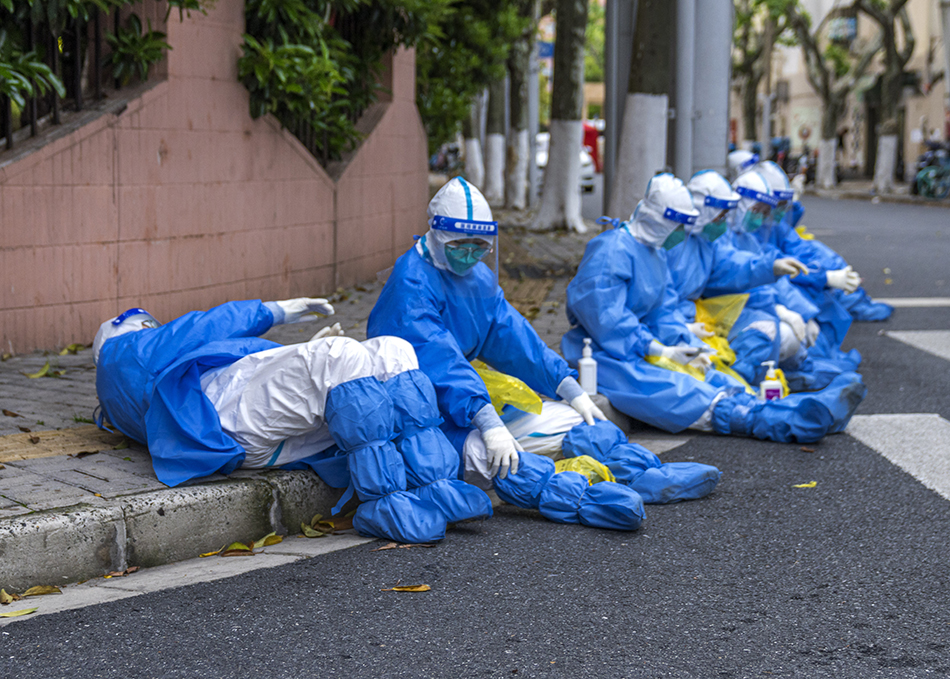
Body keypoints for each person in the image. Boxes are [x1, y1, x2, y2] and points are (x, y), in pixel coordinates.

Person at [368, 177, 717, 528]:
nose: (470, 254)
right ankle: (578, 500)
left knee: (574, 421)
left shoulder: (475, 277)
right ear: (438, 234)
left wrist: (567, 386)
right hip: (419, 417)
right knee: (497, 458)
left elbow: (516, 340)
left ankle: (642, 472)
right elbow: (439, 363)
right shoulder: (411, 284)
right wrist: (487, 422)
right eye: (461, 245)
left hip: (466, 404)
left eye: (480, 246)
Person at [93, 299, 492, 544]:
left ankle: (435, 488)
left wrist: (298, 352)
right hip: (221, 417)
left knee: (389, 349)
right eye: (146, 325)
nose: (154, 327)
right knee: (344, 355)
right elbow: (200, 327)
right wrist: (273, 310)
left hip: (247, 433)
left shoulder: (126, 390)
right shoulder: (121, 353)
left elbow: (245, 371)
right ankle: (387, 502)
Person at [562, 173, 866, 443]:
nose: (683, 232)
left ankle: (789, 410)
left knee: (720, 377)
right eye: (679, 225)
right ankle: (782, 420)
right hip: (606, 354)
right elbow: (607, 319)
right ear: (660, 220)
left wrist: (684, 343)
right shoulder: (611, 251)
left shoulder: (653, 252)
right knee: (681, 389)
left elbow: (663, 311)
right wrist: (658, 349)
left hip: (640, 346)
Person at [665, 169, 813, 387]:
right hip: (672, 325)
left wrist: (769, 267)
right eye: (721, 215)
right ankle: (735, 389)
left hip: (693, 317)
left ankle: (739, 388)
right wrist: (678, 329)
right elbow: (653, 304)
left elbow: (729, 266)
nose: (724, 222)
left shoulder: (703, 242)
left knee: (767, 330)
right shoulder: (672, 244)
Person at [751, 160, 892, 323]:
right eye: (778, 205)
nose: (779, 212)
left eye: (784, 206)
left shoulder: (772, 224)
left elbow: (800, 250)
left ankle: (853, 299)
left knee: (822, 258)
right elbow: (774, 268)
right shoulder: (750, 232)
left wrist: (827, 273)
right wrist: (824, 278)